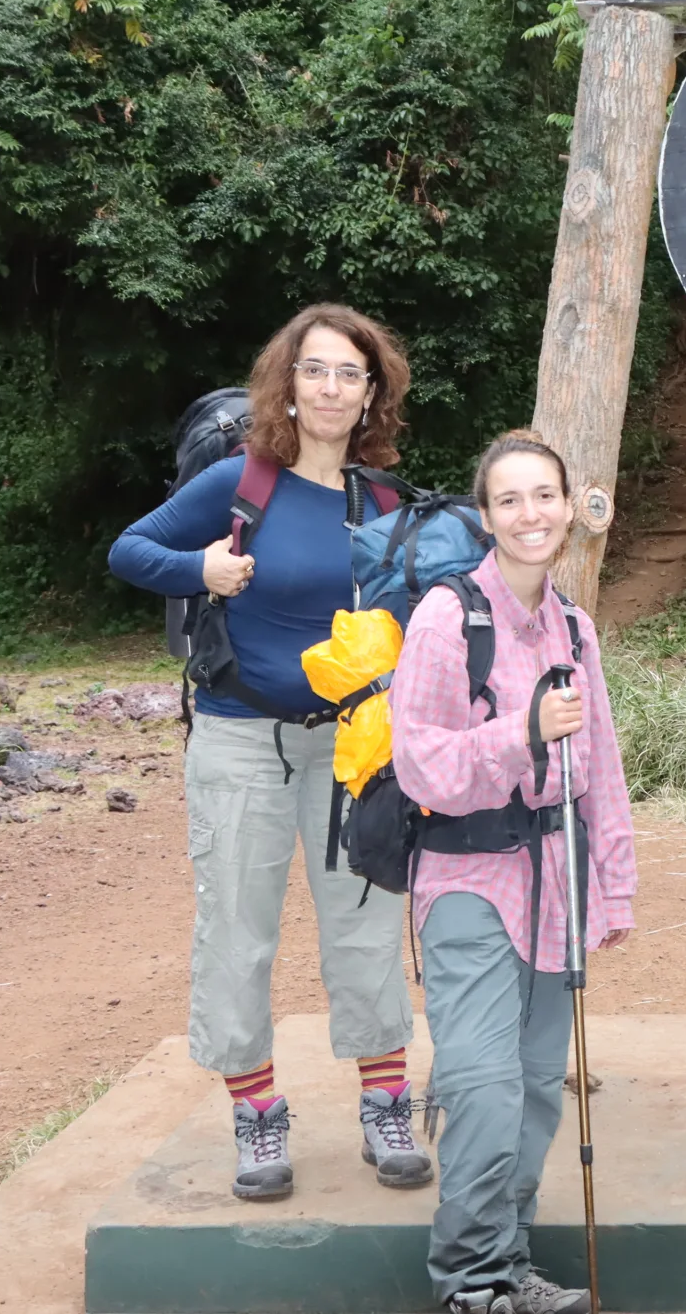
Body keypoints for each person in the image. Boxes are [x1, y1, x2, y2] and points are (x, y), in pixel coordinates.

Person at [108, 304, 430, 1201]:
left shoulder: (389, 504)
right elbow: (128, 549)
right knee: (239, 930)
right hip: (238, 739)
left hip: (352, 742)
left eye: (350, 374)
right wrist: (200, 570)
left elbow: (427, 612)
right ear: (287, 384)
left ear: (373, 394)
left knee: (365, 920)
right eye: (316, 370)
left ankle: (386, 1101)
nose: (331, 388)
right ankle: (256, 1114)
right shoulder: (240, 484)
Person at [390, 430, 638, 1314]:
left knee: (536, 1090)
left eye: (544, 496)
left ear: (569, 507)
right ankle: (465, 1282)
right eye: (509, 500)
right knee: (487, 1091)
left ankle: (508, 1265)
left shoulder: (575, 624)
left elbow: (600, 764)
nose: (530, 514)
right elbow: (420, 765)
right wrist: (522, 732)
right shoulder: (448, 617)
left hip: (556, 881)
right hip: (467, 883)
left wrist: (611, 885)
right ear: (485, 514)